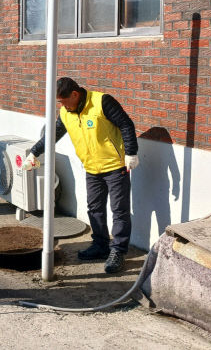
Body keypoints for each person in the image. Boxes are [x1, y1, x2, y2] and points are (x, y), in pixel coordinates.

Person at [23, 77, 139, 274]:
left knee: (119, 210)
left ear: (75, 94)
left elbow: (126, 124)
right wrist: (34, 152)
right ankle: (101, 245)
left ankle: (118, 251)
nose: (62, 105)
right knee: (94, 209)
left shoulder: (102, 102)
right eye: (59, 102)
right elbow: (53, 134)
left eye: (63, 100)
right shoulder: (65, 113)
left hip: (115, 166)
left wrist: (131, 152)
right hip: (92, 168)